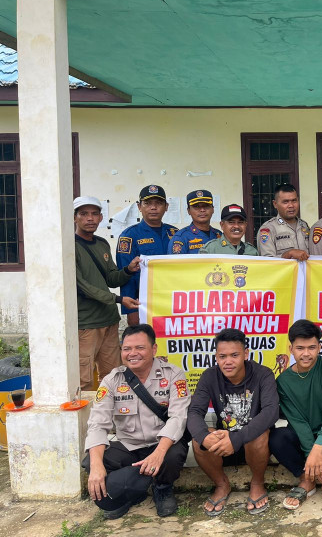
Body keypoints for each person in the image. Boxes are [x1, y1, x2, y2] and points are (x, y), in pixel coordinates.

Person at [84, 324, 189, 519]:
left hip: (161, 444)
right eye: (127, 348)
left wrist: (158, 453)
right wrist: (97, 465)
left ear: (154, 349)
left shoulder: (173, 374)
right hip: (129, 446)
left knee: (173, 455)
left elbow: (178, 418)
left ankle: (162, 488)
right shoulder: (112, 380)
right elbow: (98, 423)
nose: (133, 353)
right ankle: (132, 492)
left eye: (140, 348)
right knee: (92, 460)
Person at [187, 328, 279, 516]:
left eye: (234, 355)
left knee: (260, 434)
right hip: (224, 444)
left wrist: (237, 438)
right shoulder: (209, 376)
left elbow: (271, 412)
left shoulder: (263, 374)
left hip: (253, 444)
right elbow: (195, 411)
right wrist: (205, 437)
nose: (228, 361)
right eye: (222, 356)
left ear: (245, 354)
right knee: (199, 441)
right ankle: (221, 485)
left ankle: (257, 483)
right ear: (216, 357)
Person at [269, 320, 322, 512]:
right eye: (300, 348)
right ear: (291, 348)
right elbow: (297, 420)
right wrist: (312, 453)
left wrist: (320, 445)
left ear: (320, 347)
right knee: (276, 437)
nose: (306, 353)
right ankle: (306, 479)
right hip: (303, 436)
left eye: (311, 347)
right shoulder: (283, 381)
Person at [74, 196, 141, 390]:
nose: (90, 218)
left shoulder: (102, 244)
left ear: (101, 217)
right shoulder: (69, 247)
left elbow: (111, 278)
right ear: (75, 218)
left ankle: (111, 419)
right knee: (83, 380)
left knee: (112, 376)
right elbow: (83, 286)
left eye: (94, 214)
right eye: (84, 214)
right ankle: (86, 421)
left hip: (109, 321)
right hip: (86, 324)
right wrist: (119, 299)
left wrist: (128, 269)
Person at [116, 185, 177, 326]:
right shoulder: (129, 236)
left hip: (171, 302)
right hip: (143, 305)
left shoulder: (175, 234)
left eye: (159, 203)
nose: (153, 207)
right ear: (139, 206)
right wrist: (131, 311)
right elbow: (125, 277)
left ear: (166, 206)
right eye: (148, 203)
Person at [256, 183, 311, 261]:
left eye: (294, 201)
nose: (291, 205)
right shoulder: (268, 229)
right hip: (286, 273)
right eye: (285, 202)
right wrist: (288, 254)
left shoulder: (304, 225)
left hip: (304, 273)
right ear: (275, 204)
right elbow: (267, 262)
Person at [168, 190, 221, 254]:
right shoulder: (180, 238)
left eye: (206, 206)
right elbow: (175, 263)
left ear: (213, 209)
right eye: (196, 207)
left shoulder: (219, 235)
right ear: (188, 211)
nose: (202, 210)